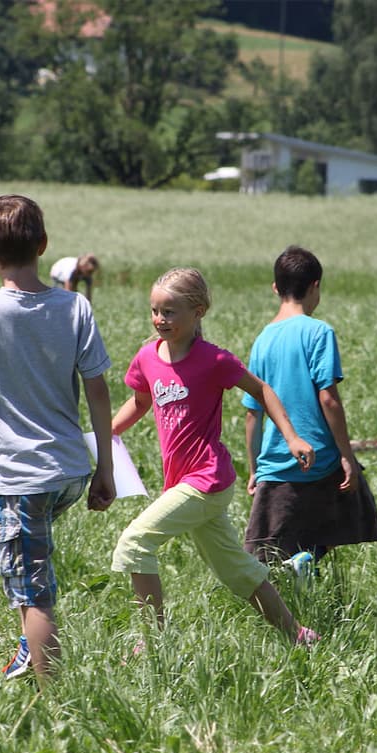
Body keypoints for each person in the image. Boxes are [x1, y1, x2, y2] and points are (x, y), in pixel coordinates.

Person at [0, 194, 115, 680]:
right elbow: (98, 390)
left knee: (35, 594)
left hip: (22, 478)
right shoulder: (75, 305)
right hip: (68, 471)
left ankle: (51, 699)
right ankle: (31, 640)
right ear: (43, 244)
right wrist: (104, 466)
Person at [110, 267, 320, 650]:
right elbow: (141, 401)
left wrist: (291, 438)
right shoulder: (147, 357)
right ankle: (299, 636)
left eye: (170, 311)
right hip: (182, 481)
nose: (160, 319)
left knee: (135, 542)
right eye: (155, 311)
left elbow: (263, 390)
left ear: (199, 312)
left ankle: (152, 644)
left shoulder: (213, 360)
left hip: (207, 479)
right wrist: (109, 430)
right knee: (238, 572)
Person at [241, 245, 377, 567]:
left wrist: (254, 469)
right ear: (315, 285)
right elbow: (328, 398)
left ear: (275, 288)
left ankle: (298, 568)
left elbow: (253, 411)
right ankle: (306, 562)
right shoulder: (319, 331)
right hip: (321, 458)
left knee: (270, 550)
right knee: (338, 521)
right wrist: (347, 455)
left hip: (276, 463)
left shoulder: (263, 339)